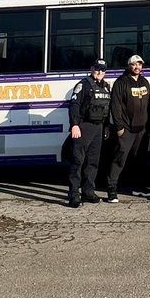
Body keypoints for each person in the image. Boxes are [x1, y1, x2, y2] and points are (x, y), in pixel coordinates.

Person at [65, 59, 111, 207]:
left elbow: (107, 109)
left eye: (103, 70)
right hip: (83, 127)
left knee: (93, 162)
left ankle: (88, 191)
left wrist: (106, 128)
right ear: (92, 69)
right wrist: (74, 125)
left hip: (98, 128)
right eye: (97, 69)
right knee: (78, 161)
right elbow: (74, 105)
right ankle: (74, 194)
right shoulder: (83, 85)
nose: (100, 72)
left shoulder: (106, 87)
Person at [106, 54, 150, 203]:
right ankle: (112, 190)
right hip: (126, 130)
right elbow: (115, 106)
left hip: (141, 130)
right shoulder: (121, 82)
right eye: (134, 64)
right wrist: (119, 127)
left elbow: (148, 105)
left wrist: (148, 125)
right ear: (129, 66)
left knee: (139, 160)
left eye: (139, 64)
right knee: (119, 160)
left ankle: (138, 187)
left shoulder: (144, 82)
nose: (137, 67)